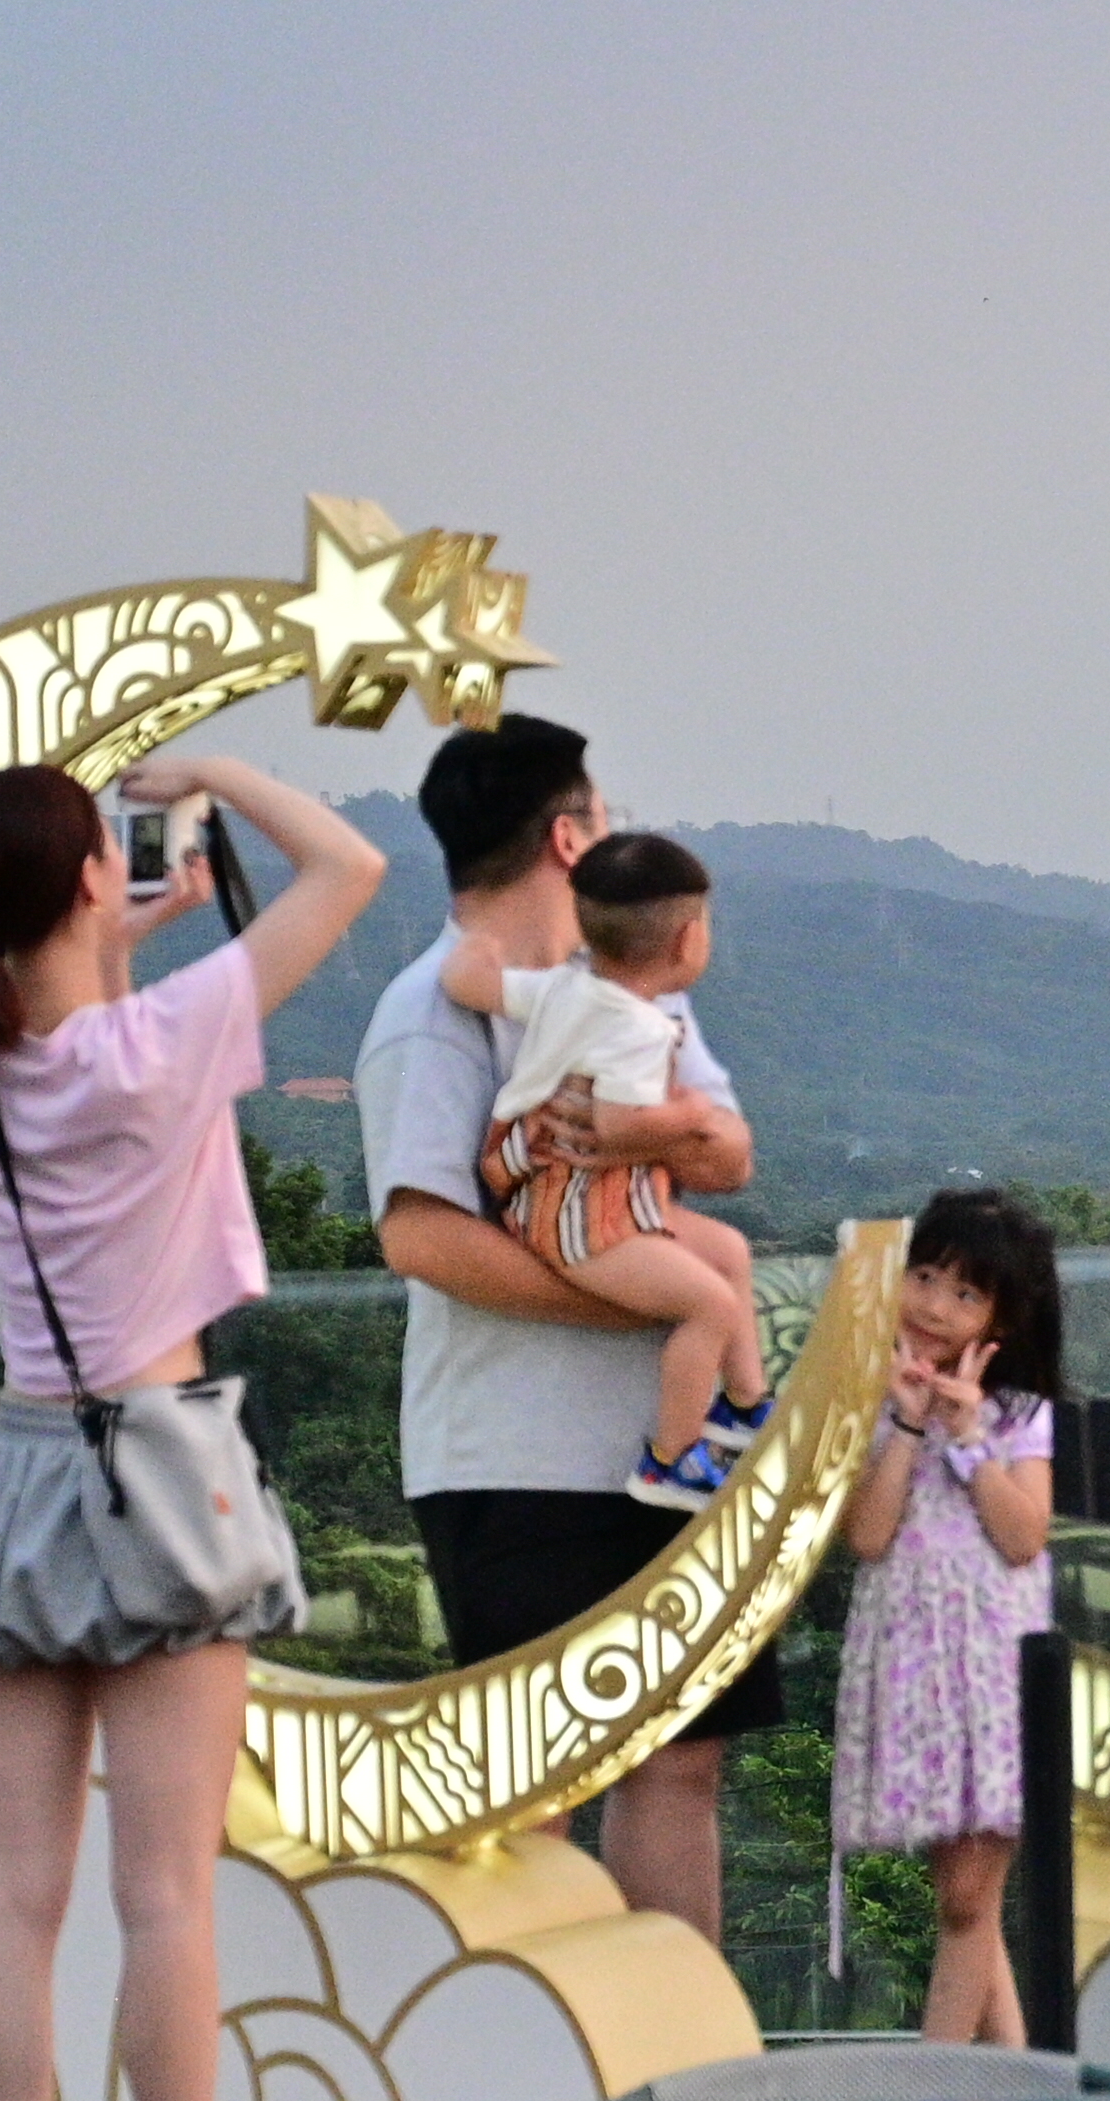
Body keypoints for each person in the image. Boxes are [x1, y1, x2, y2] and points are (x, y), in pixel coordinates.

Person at [0, 750, 386, 2101]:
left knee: (13, 1895)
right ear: (90, 881)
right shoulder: (165, 1040)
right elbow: (351, 870)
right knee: (167, 1892)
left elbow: (50, 1014)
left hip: (24, 1469)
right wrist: (220, 776)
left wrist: (119, 921)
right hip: (163, 1465)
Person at [355, 716, 774, 1935]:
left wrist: (668, 1138)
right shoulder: (431, 1015)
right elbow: (420, 1234)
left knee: (681, 1760)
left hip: (670, 1457)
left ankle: (673, 2069)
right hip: (515, 1460)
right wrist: (623, 1286)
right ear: (566, 834)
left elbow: (730, 1149)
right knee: (535, 1788)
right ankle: (537, 2084)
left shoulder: (632, 995)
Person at [438, 831, 771, 1509]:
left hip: (571, 1197)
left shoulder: (569, 988)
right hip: (579, 1217)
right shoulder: (638, 1029)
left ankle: (746, 1405)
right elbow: (618, 1127)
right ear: (687, 941)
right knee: (708, 1304)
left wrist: (470, 956)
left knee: (729, 1252)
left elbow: (473, 986)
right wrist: (688, 1117)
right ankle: (671, 1461)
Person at [830, 1186, 1063, 2042]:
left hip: (997, 1666)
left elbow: (1023, 1538)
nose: (932, 1305)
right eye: (922, 1276)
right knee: (966, 1898)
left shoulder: (1020, 1413)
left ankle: (934, 2096)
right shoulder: (874, 1393)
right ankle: (1025, 2089)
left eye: (964, 1293)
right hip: (916, 1662)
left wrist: (968, 1442)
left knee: (969, 1897)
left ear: (1002, 1313)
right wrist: (907, 1423)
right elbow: (869, 1532)